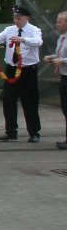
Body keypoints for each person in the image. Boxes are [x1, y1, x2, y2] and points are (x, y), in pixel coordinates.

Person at [0, 6, 43, 143]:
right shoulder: (10, 30)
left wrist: (23, 40)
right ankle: (11, 131)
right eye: (15, 18)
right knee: (8, 100)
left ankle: (34, 132)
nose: (16, 20)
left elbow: (38, 42)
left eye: (19, 18)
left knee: (29, 102)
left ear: (27, 18)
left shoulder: (33, 30)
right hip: (12, 69)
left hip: (27, 70)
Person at [42, 10, 67, 149]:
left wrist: (62, 60)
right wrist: (52, 57)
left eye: (60, 21)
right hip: (63, 76)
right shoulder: (62, 38)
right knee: (65, 109)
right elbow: (60, 53)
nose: (57, 24)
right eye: (57, 21)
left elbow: (63, 57)